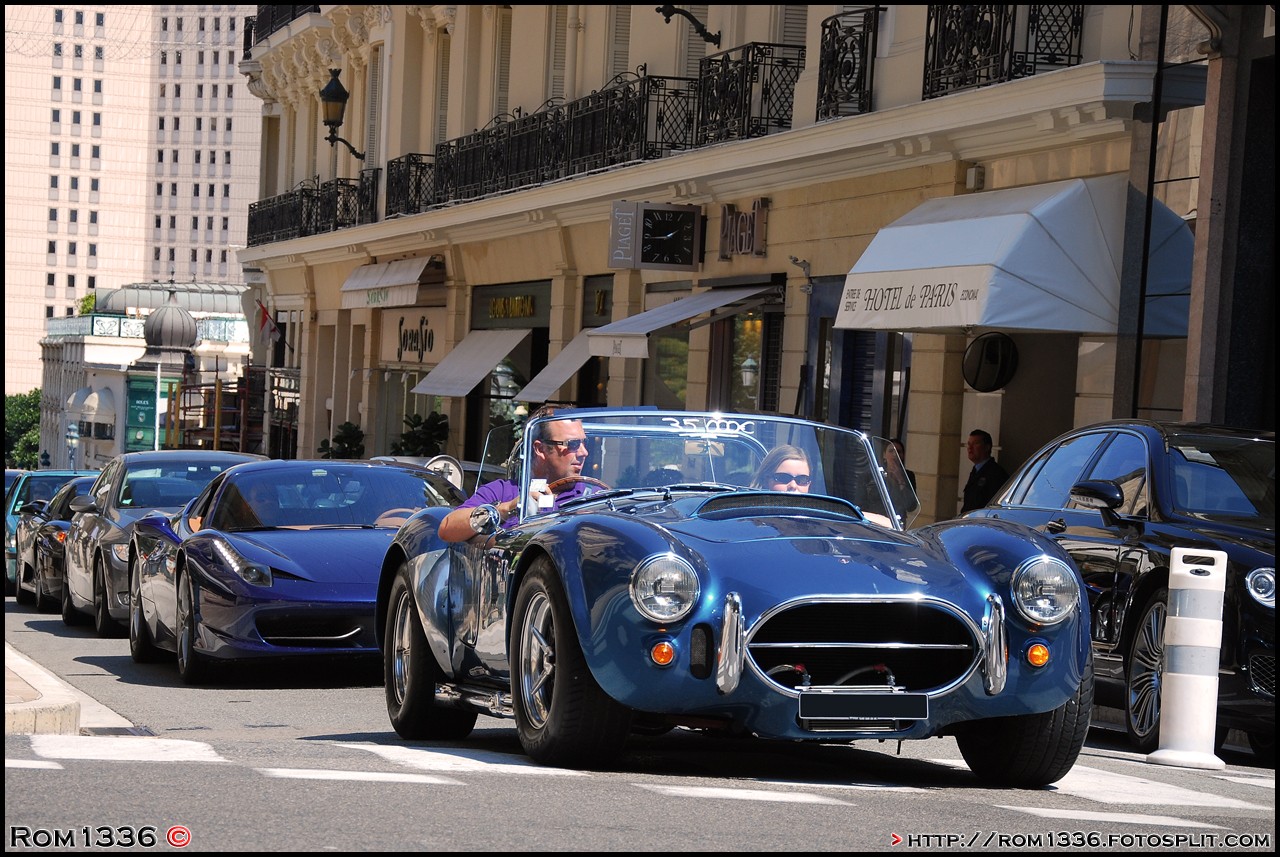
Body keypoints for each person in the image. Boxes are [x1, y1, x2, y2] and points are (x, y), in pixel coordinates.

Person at [438, 408, 593, 542]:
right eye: (572, 444)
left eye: (584, 443)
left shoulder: (595, 498)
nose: (583, 452)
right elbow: (447, 529)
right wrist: (508, 508)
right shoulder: (502, 492)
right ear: (540, 449)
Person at [961, 429, 1009, 513]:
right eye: (969, 444)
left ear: (987, 447)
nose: (970, 448)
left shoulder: (996, 474)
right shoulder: (975, 471)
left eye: (975, 444)